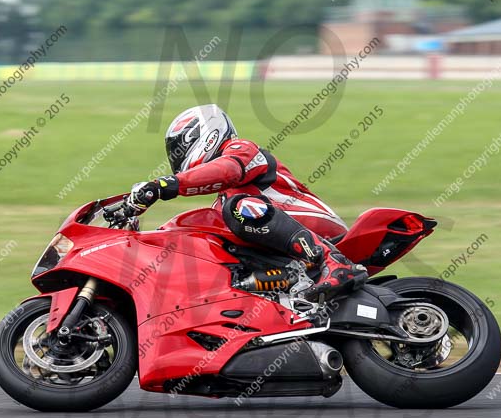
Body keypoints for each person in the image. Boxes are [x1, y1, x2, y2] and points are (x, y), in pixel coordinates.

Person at [125, 104, 367, 300]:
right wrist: (146, 241)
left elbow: (226, 170)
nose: (176, 158)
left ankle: (334, 262)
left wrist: (165, 186)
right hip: (281, 249)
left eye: (178, 148)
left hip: (316, 226)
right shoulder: (224, 200)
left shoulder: (242, 150)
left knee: (240, 208)